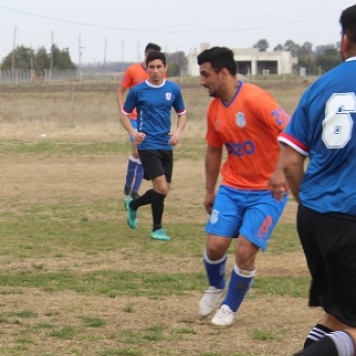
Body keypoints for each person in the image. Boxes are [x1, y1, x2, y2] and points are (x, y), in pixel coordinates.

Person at [248, 4, 356, 356]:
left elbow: (290, 162)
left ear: (344, 40)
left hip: (314, 216)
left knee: (338, 317)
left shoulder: (320, 87)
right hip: (351, 220)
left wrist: (308, 201)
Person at [196, 47, 291, 327]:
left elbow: (291, 130)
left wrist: (278, 172)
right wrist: (210, 190)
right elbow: (214, 150)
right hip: (233, 188)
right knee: (215, 246)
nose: (202, 81)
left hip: (268, 191)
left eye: (205, 74)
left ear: (223, 73)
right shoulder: (214, 110)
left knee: (246, 250)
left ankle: (230, 306)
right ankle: (215, 287)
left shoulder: (256, 99)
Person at [119, 51, 187, 241]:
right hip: (147, 145)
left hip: (166, 144)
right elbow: (123, 114)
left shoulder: (173, 89)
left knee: (163, 190)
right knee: (161, 188)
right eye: (151, 67)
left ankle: (133, 205)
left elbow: (182, 113)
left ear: (165, 68)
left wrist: (178, 131)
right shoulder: (137, 91)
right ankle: (157, 229)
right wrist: (133, 133)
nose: (155, 71)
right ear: (146, 68)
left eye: (159, 67)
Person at [116, 43, 161, 199]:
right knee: (137, 150)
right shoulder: (132, 71)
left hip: (150, 120)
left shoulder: (159, 73)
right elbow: (120, 90)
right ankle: (128, 186)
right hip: (134, 118)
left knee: (143, 154)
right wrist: (124, 111)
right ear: (146, 56)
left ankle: (134, 190)